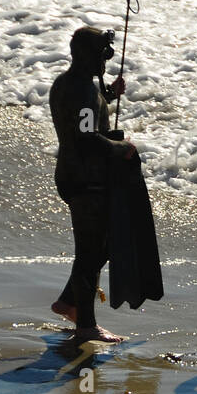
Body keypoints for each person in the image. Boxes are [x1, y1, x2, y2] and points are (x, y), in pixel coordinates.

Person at [49, 25, 136, 343]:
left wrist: (109, 95)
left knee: (99, 246)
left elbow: (81, 119)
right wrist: (121, 148)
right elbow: (87, 138)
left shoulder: (66, 83)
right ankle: (86, 325)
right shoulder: (85, 90)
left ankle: (70, 302)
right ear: (87, 56)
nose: (106, 61)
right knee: (91, 251)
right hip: (87, 180)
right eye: (101, 55)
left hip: (70, 174)